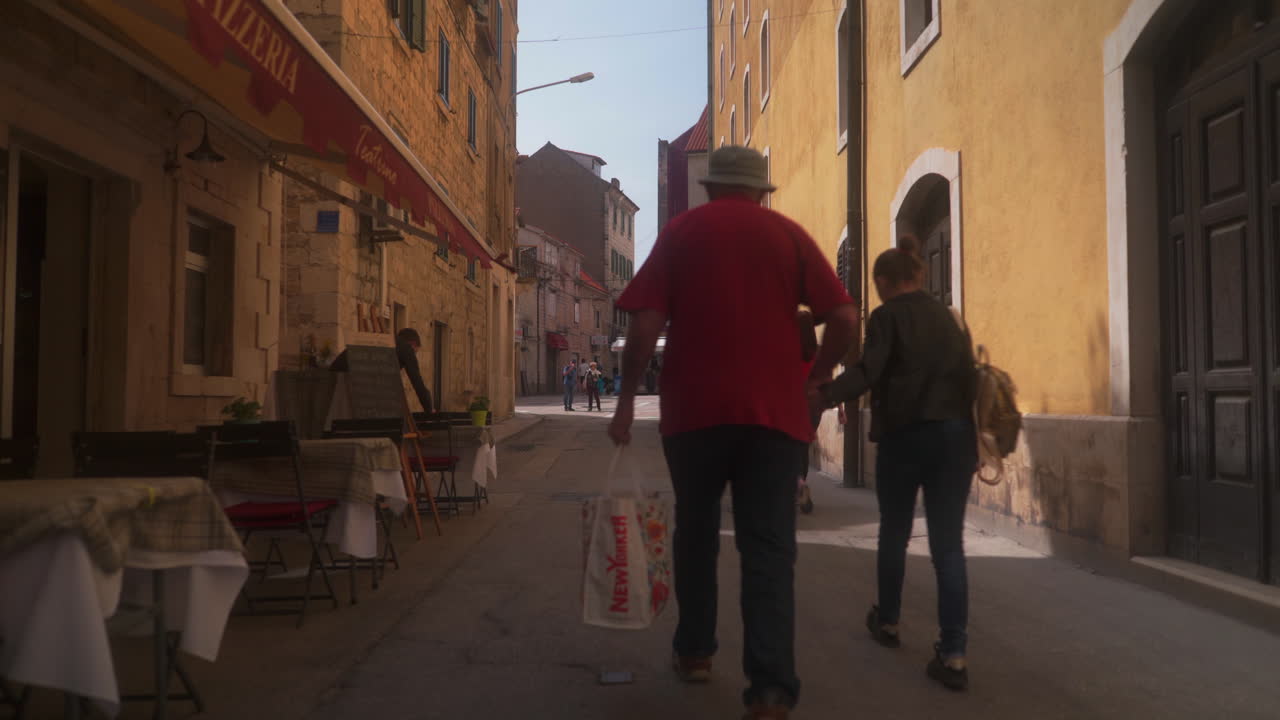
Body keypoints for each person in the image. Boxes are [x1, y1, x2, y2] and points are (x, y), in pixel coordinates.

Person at [609, 146, 859, 720]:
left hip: (693, 415)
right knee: (768, 547)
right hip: (774, 417)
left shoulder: (680, 233)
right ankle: (770, 692)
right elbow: (845, 318)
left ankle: (695, 653)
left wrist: (625, 404)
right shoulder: (788, 235)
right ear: (760, 192)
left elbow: (644, 324)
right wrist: (818, 378)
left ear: (710, 187)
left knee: (695, 533)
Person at [813, 236, 978, 692]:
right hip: (955, 439)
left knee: (894, 531)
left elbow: (869, 371)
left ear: (884, 282)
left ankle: (888, 621)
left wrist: (824, 394)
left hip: (906, 438)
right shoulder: (950, 318)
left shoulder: (887, 317)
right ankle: (955, 653)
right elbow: (971, 381)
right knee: (949, 546)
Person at [329, 327, 434, 413]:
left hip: (337, 372)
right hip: (346, 378)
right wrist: (429, 410)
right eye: (415, 352)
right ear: (412, 344)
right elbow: (417, 382)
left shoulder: (388, 342)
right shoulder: (406, 348)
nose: (414, 355)